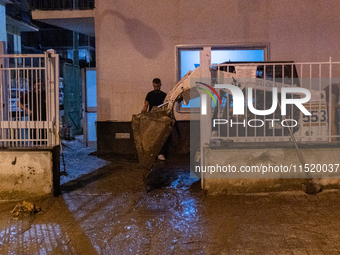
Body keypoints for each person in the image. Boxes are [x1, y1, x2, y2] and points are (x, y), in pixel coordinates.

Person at [142, 78, 168, 160]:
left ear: (160, 85)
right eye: (155, 86)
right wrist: (143, 115)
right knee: (151, 136)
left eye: (157, 86)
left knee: (160, 136)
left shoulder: (164, 95)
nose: (156, 88)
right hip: (151, 118)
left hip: (160, 119)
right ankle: (152, 153)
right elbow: (145, 106)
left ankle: (160, 153)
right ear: (153, 85)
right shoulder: (150, 94)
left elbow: (167, 108)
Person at [19, 79, 47, 145]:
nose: (39, 87)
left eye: (41, 85)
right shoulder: (30, 95)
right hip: (34, 118)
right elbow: (19, 103)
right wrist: (27, 110)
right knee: (35, 138)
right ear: (34, 86)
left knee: (45, 138)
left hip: (45, 118)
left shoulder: (46, 94)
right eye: (37, 85)